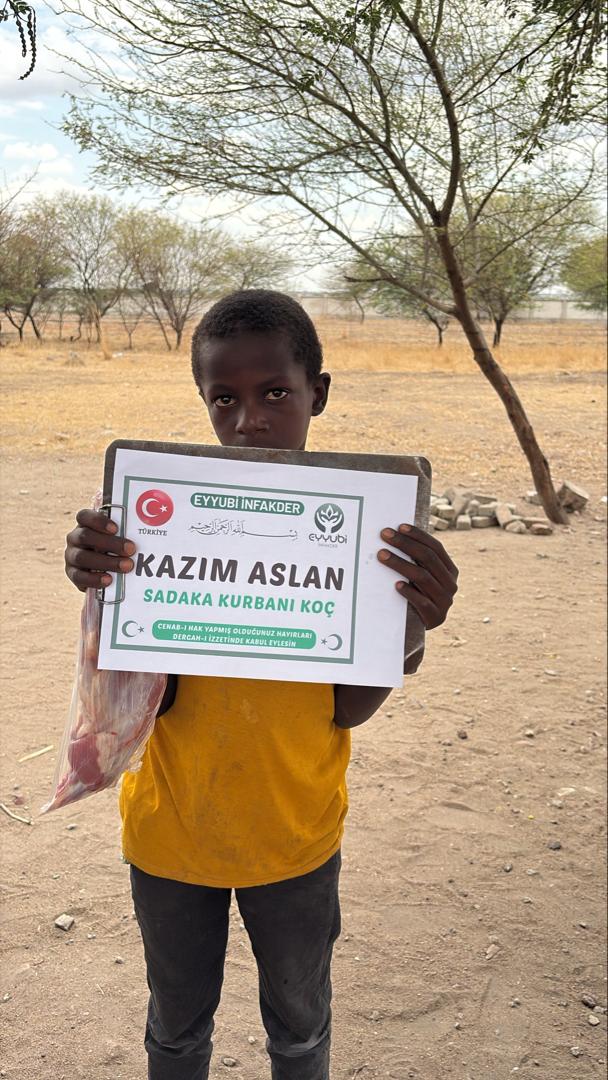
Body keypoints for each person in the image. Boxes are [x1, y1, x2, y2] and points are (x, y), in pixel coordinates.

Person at [64, 290, 458, 1080]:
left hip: (297, 838)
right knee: (176, 1030)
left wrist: (410, 622)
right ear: (205, 402)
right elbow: (154, 696)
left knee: (300, 1028)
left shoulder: (362, 536)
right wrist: (106, 586)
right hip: (172, 837)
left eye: (276, 392)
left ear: (318, 392)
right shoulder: (164, 520)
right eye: (225, 399)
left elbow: (348, 710)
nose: (249, 420)